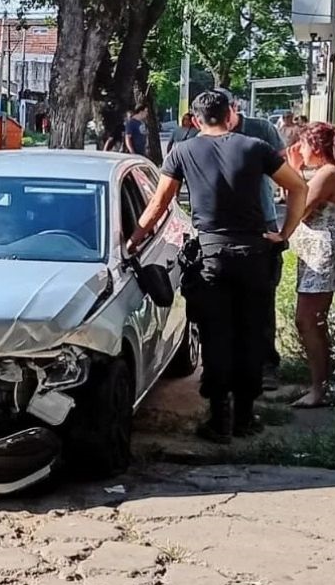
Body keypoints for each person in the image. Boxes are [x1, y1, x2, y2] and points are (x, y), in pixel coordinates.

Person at [127, 90, 308, 443]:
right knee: (250, 333)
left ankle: (219, 419)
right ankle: (245, 416)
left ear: (195, 121)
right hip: (256, 254)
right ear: (230, 115)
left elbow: (158, 206)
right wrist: (283, 234)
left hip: (211, 256)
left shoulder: (182, 151)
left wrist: (133, 240)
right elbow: (298, 187)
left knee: (215, 336)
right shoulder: (255, 148)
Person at [221, 90, 288, 390]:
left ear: (235, 108)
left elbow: (285, 169)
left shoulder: (261, 129)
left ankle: (266, 364)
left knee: (262, 296)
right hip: (223, 227)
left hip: (262, 222)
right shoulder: (208, 131)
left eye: (225, 114)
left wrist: (284, 232)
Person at [287, 123, 335, 408]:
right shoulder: (326, 174)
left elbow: (299, 209)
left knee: (307, 320)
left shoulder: (329, 174)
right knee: (312, 321)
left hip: (322, 256)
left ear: (314, 147)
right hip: (315, 254)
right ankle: (320, 383)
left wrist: (292, 170)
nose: (299, 151)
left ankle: (318, 389)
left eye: (302, 145)